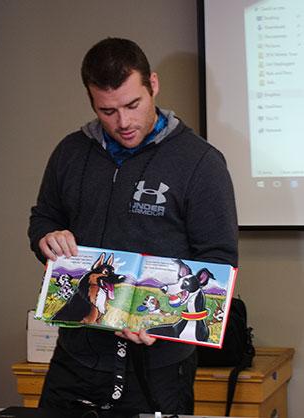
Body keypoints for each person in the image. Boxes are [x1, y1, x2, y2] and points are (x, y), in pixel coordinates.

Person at [28, 37, 238, 417]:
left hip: (160, 366)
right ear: (92, 101)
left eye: (133, 105)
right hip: (77, 357)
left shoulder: (201, 162)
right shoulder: (70, 153)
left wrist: (161, 323)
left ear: (153, 85)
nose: (122, 122)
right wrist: (46, 236)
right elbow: (43, 218)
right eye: (107, 111)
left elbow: (219, 261)